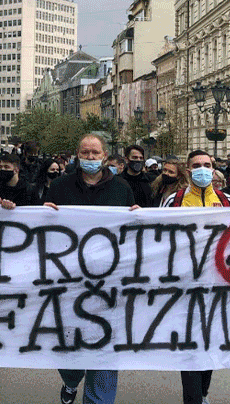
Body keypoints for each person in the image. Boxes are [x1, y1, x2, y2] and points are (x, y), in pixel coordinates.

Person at [43, 133, 136, 404]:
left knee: (105, 345)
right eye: (85, 153)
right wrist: (42, 214)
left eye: (95, 153)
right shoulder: (60, 186)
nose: (91, 158)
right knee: (68, 344)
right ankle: (71, 380)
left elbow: (134, 231)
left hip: (110, 281)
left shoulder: (121, 189)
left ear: (105, 156)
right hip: (69, 280)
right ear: (77, 155)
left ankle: (98, 400)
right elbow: (43, 229)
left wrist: (139, 218)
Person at [160, 150, 230, 404]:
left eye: (207, 165)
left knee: (211, 343)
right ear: (188, 171)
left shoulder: (227, 201)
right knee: (190, 347)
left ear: (213, 170)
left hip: (217, 287)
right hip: (184, 289)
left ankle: (202, 392)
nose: (202, 169)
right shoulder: (174, 201)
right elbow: (158, 238)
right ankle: (192, 399)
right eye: (196, 166)